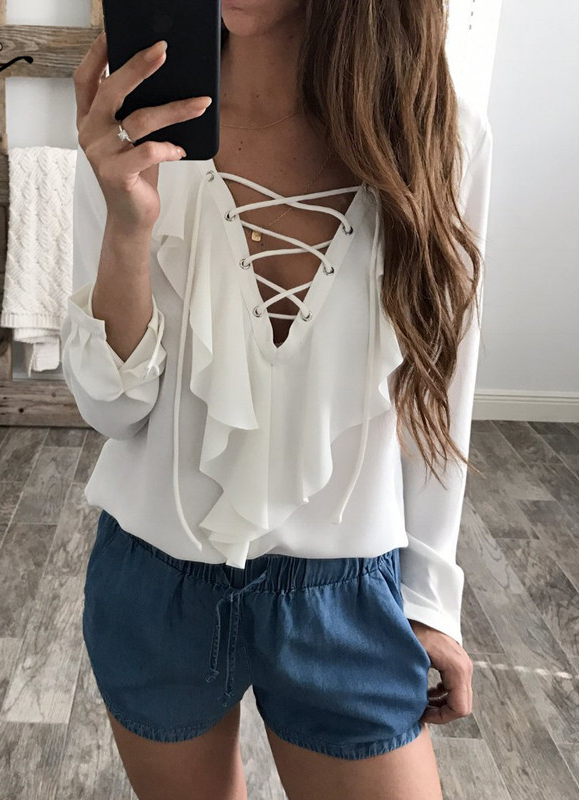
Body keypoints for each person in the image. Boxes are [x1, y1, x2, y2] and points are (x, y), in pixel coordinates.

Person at [62, 3, 492, 798]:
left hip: (348, 598)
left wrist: (430, 599)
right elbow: (112, 411)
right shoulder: (134, 126)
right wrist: (127, 226)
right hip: (155, 586)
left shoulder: (438, 129)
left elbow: (439, 385)